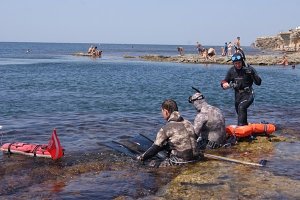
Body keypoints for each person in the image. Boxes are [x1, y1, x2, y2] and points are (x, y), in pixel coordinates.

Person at [137, 99, 201, 167]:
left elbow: (154, 149)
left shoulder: (166, 128)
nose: (162, 114)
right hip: (196, 159)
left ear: (166, 112)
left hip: (181, 162)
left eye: (162, 111)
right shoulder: (188, 123)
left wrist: (141, 158)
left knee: (149, 163)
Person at [221, 52, 262, 126]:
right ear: (233, 63)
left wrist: (252, 73)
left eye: (239, 63)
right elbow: (224, 81)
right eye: (235, 63)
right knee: (240, 113)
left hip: (248, 94)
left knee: (241, 107)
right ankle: (245, 129)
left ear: (242, 61)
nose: (237, 65)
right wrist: (224, 84)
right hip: (238, 96)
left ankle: (240, 130)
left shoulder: (248, 69)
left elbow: (258, 82)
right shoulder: (231, 71)